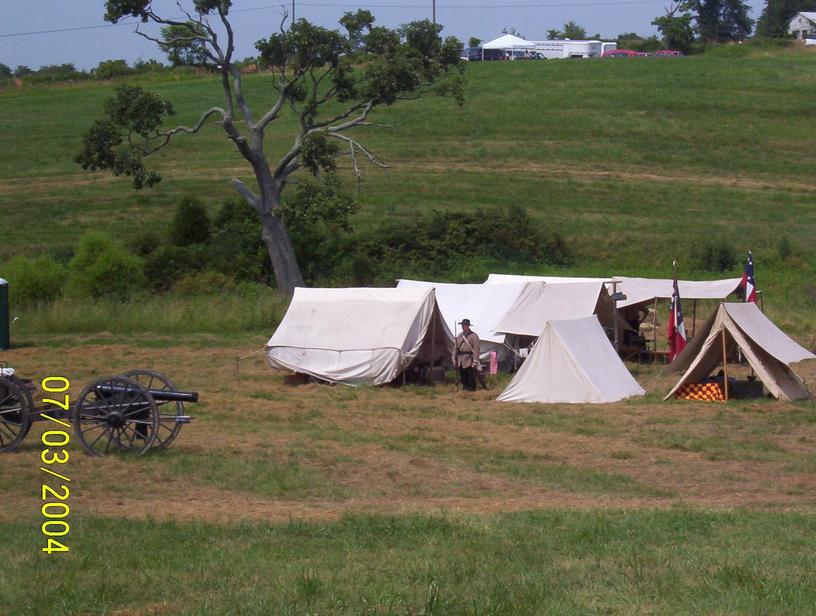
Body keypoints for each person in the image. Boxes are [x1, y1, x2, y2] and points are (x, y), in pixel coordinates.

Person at [453, 319, 480, 392]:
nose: (463, 326)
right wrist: (454, 358)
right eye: (462, 325)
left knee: (470, 376)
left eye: (464, 325)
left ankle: (471, 390)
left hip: (469, 359)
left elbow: (476, 349)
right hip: (460, 359)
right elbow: (456, 347)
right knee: (462, 376)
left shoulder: (474, 336)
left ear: (468, 326)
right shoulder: (460, 335)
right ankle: (465, 389)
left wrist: (475, 361)